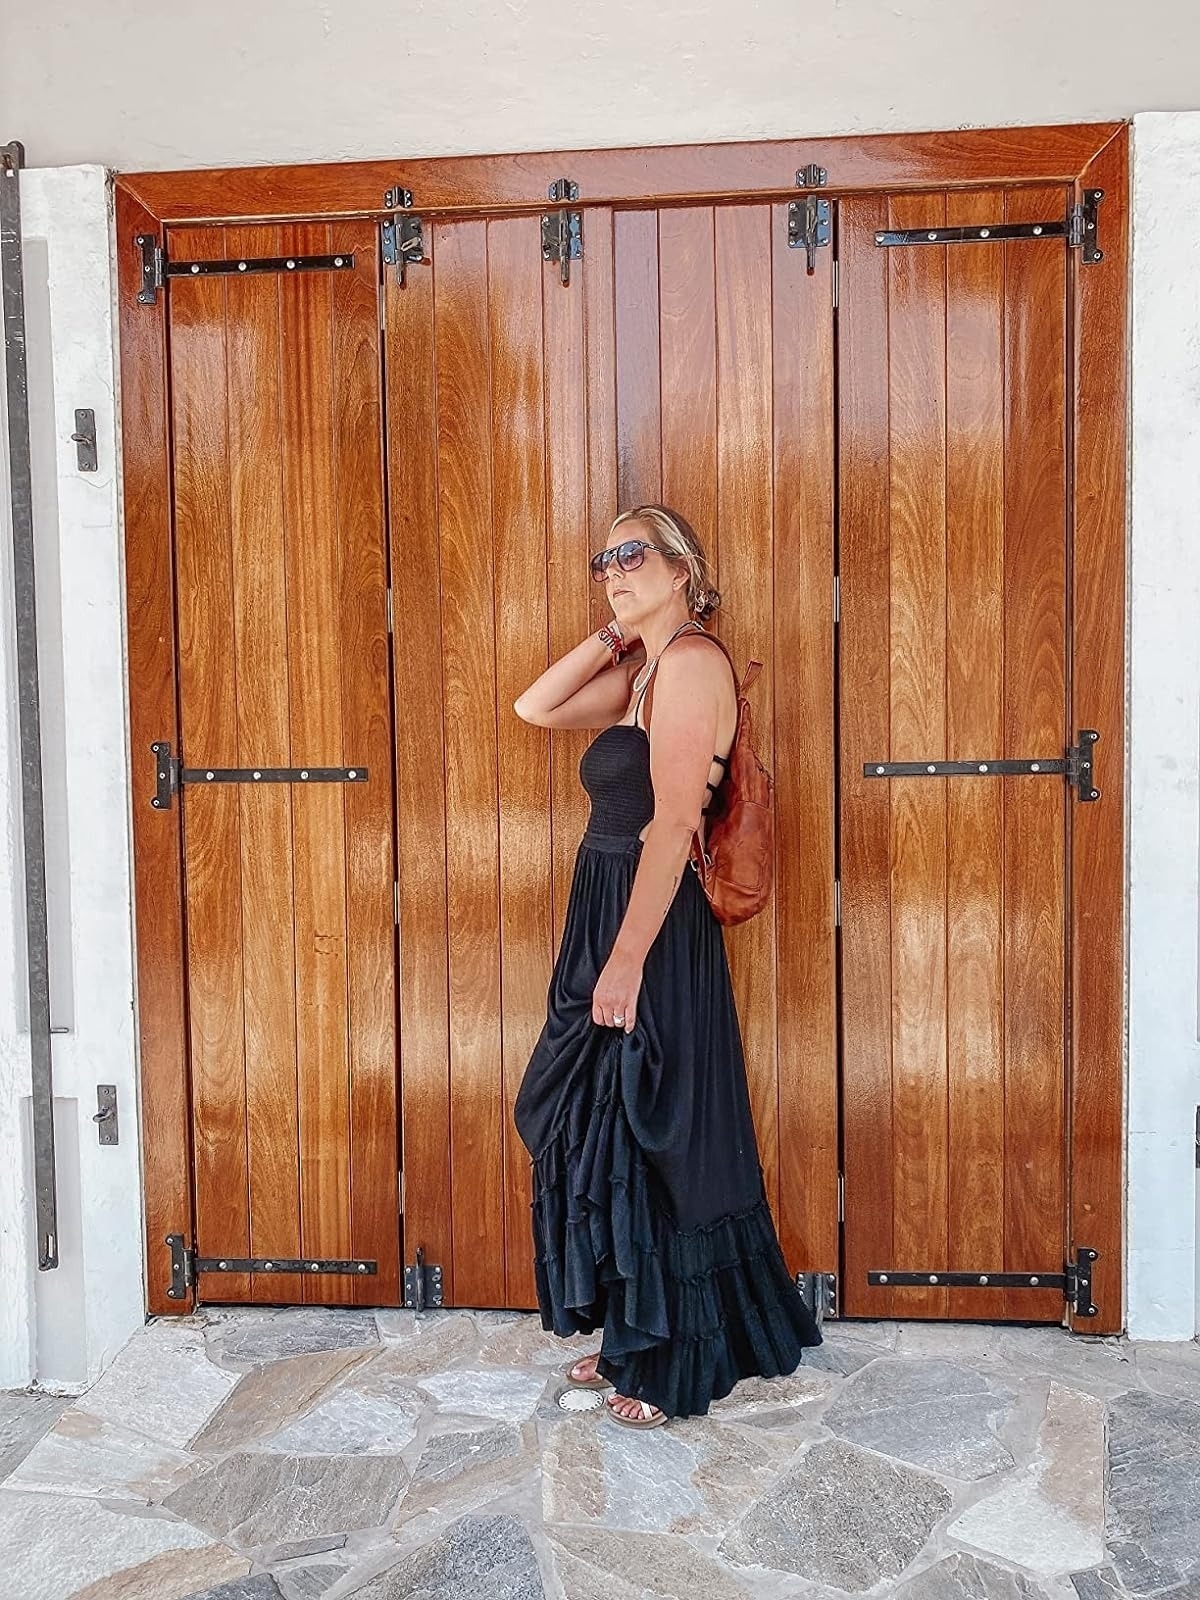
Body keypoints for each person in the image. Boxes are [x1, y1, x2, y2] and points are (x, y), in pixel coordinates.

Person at [512, 504, 823, 1428]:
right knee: (602, 1117)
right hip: (606, 911)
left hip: (649, 924)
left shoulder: (691, 666)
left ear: (683, 566)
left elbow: (672, 825)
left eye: (632, 554)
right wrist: (617, 627)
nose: (613, 567)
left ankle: (667, 1357)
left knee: (654, 1123)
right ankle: (631, 1331)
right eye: (603, 558)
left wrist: (626, 962)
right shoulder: (645, 671)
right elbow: (537, 706)